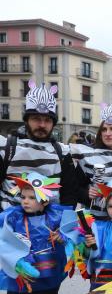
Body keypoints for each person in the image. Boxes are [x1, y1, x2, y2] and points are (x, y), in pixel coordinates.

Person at [0, 173, 69, 294]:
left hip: (48, 275)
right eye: (23, 197)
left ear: (44, 201)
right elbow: (3, 240)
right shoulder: (12, 217)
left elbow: (73, 232)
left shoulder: (56, 215)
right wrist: (16, 261)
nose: (25, 201)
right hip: (20, 276)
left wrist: (62, 237)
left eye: (32, 198)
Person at [0, 82, 80, 210]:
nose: (42, 125)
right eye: (36, 118)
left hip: (51, 222)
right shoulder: (7, 148)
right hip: (9, 221)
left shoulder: (63, 153)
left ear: (53, 124)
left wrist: (60, 220)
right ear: (27, 120)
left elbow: (69, 195)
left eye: (47, 120)